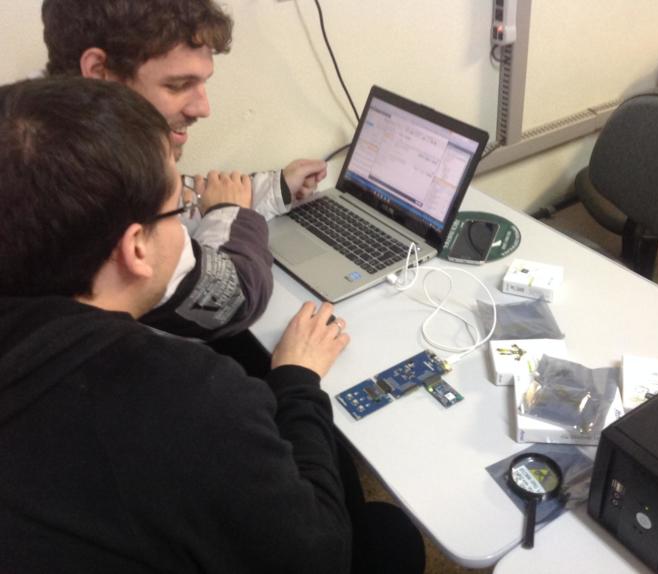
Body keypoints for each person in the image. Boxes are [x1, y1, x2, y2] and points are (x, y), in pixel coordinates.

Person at [0, 76, 423, 573]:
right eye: (180, 210)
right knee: (390, 536)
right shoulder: (189, 400)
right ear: (136, 248)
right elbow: (320, 556)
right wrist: (296, 379)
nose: (188, 223)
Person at [40, 0, 329, 340]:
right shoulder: (87, 195)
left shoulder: (52, 131)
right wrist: (230, 211)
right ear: (100, 72)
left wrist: (273, 188)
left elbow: (181, 199)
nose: (203, 108)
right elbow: (232, 298)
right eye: (177, 85)